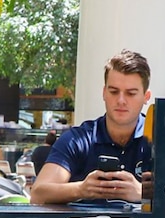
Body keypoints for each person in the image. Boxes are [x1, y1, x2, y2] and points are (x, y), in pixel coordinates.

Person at [30, 49, 152, 204]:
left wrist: (142, 193)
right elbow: (38, 194)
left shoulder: (162, 142)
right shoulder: (77, 139)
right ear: (104, 93)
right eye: (114, 92)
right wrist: (82, 189)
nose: (121, 100)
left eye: (131, 93)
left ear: (146, 97)